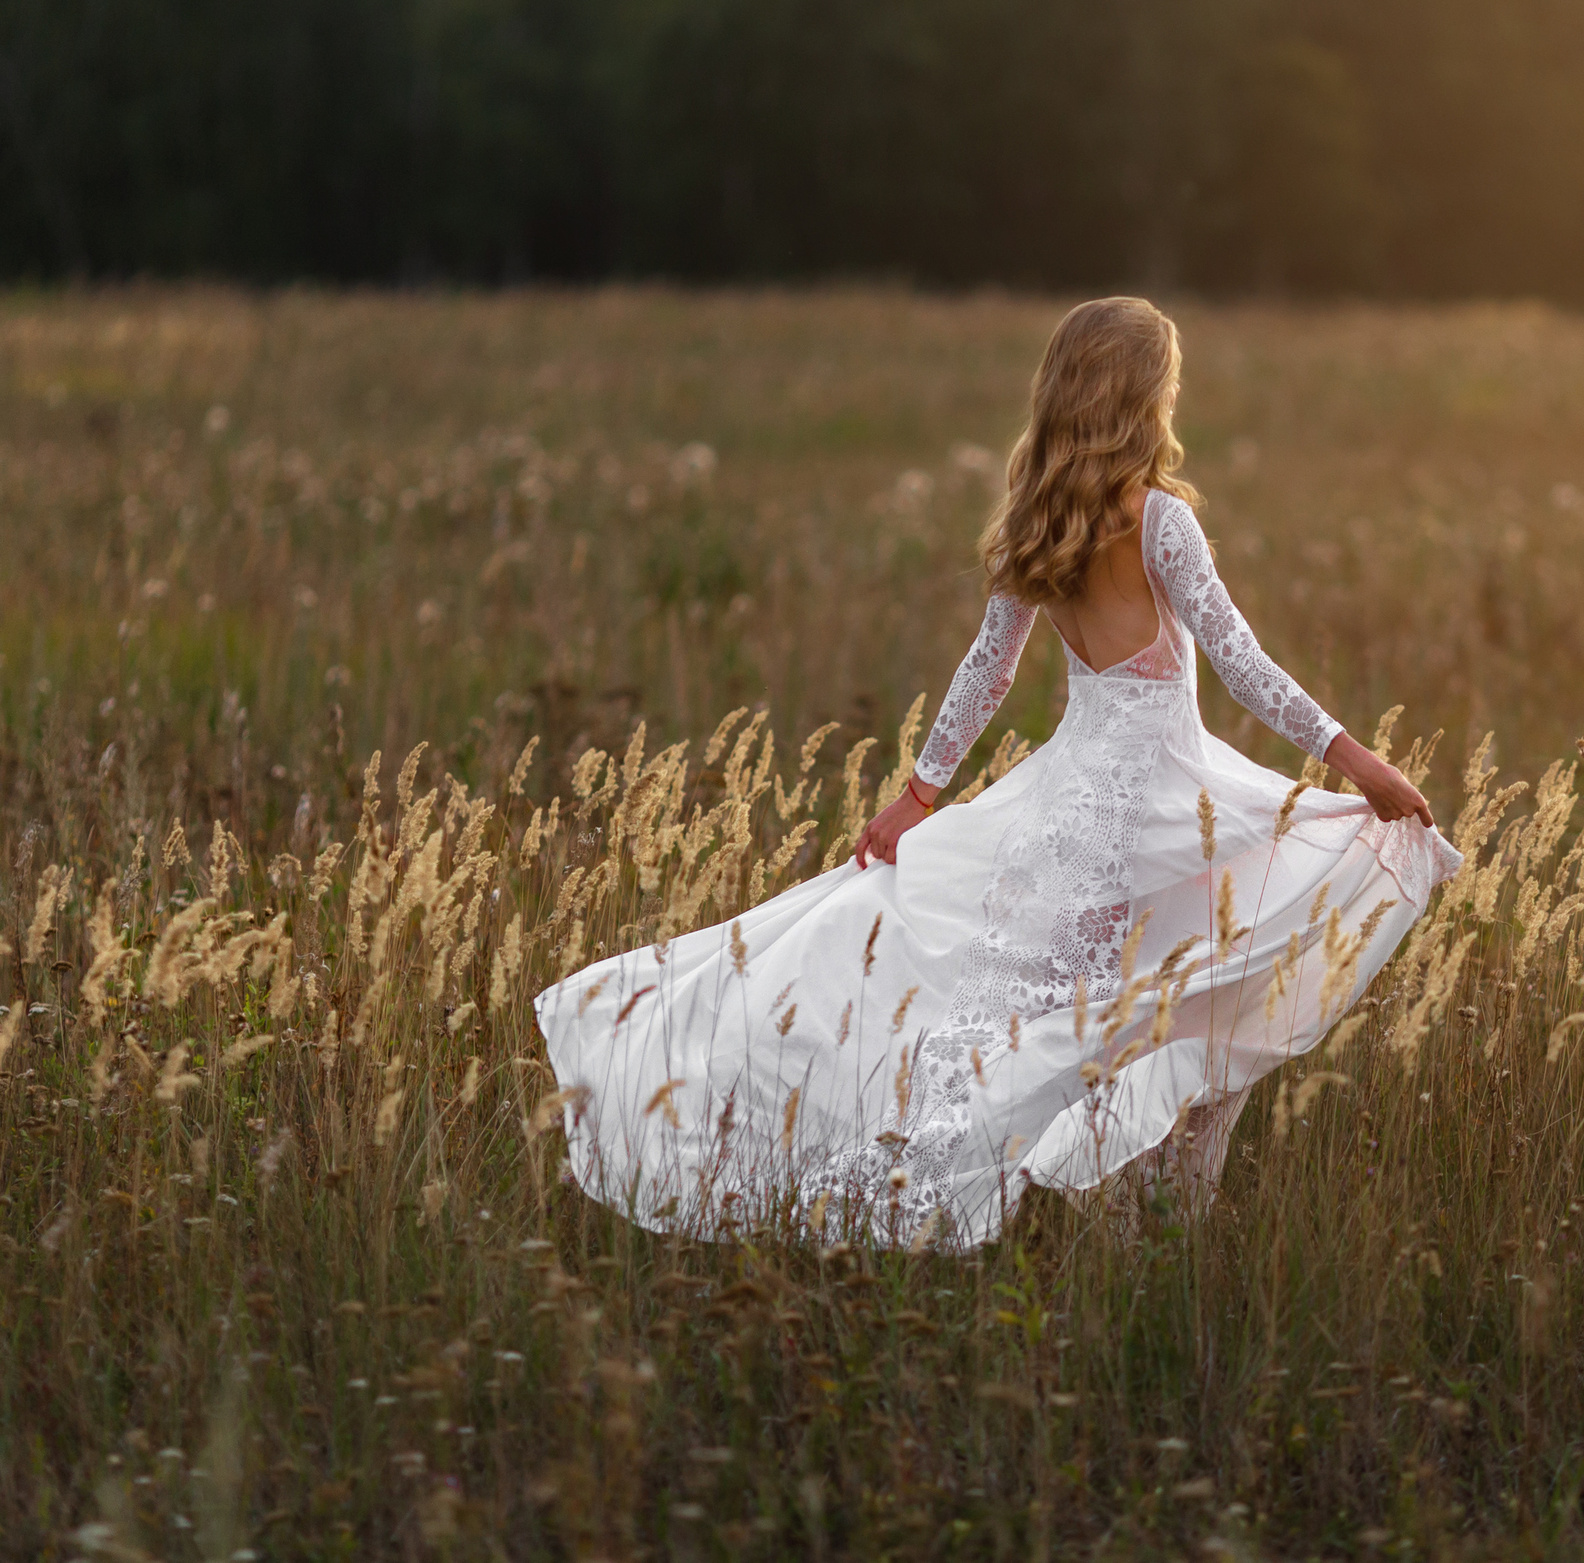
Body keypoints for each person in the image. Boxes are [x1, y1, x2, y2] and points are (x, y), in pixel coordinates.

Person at [533, 298, 1460, 1246]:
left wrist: (918, 795)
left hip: (1068, 803)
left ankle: (1122, 1207)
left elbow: (989, 669)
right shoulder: (1160, 522)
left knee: (1067, 1010)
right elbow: (1239, 660)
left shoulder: (1040, 512)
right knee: (1170, 998)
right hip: (1159, 805)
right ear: (1146, 397)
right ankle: (1084, 1207)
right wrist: (1357, 760)